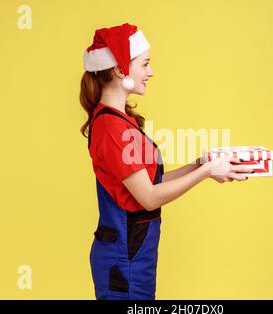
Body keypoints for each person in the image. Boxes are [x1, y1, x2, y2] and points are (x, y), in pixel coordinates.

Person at [79, 23, 255, 300]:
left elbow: (150, 183)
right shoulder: (112, 128)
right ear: (120, 70)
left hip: (133, 254)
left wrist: (202, 164)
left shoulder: (119, 121)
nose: (151, 72)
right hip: (123, 259)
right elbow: (149, 197)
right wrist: (208, 170)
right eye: (145, 64)